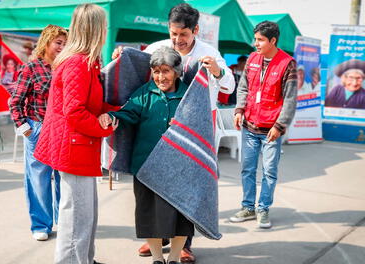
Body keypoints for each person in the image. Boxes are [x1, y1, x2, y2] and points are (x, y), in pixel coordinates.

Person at [113, 3, 235, 262]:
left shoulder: (209, 52)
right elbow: (136, 70)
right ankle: (157, 239)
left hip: (194, 131)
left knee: (186, 189)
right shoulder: (158, 48)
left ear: (195, 30)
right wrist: (120, 57)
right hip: (156, 128)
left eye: (183, 34)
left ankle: (184, 245)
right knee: (153, 194)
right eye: (174, 34)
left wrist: (215, 69)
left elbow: (228, 84)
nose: (178, 40)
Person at [33, 4, 118, 264]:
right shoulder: (78, 63)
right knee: (76, 217)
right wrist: (105, 125)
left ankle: (85, 260)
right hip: (73, 146)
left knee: (86, 214)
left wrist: (116, 112)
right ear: (94, 29)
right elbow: (74, 111)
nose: (106, 30)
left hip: (78, 145)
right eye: (103, 26)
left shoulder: (86, 61)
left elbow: (91, 103)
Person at [99, 46, 194, 264]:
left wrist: (185, 126)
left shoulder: (189, 94)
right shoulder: (144, 92)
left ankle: (174, 258)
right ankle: (158, 258)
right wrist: (112, 116)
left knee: (182, 215)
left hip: (180, 166)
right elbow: (127, 112)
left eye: (166, 71)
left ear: (177, 72)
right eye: (157, 71)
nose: (161, 77)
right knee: (148, 213)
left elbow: (200, 124)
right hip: (146, 165)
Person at [230, 21, 297, 229]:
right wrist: (239, 110)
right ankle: (248, 207)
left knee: (269, 171)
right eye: (255, 39)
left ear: (273, 40)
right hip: (249, 127)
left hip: (271, 131)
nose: (255, 44)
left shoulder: (288, 64)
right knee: (247, 169)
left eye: (260, 40)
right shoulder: (252, 59)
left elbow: (290, 99)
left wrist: (280, 125)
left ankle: (263, 209)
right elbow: (243, 88)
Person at [9, 24, 67, 242]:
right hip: (38, 128)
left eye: (65, 43)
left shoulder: (65, 67)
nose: (62, 47)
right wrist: (26, 129)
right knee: (38, 178)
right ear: (46, 43)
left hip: (62, 128)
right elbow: (15, 102)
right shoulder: (31, 68)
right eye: (58, 43)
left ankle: (64, 220)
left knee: (64, 177)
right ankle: (41, 224)